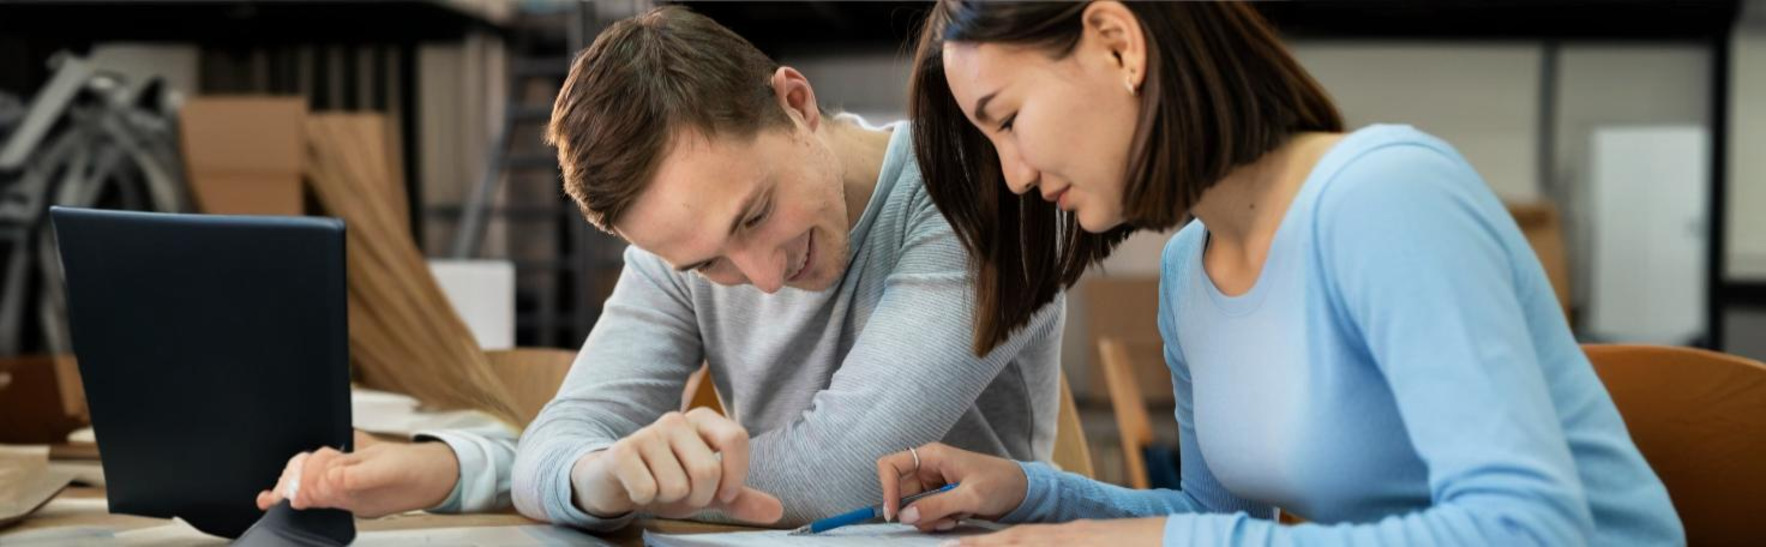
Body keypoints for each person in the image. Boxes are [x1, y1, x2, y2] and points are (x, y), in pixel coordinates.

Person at [873, 2, 1684, 545]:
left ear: (1119, 44)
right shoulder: (1190, 270)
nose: (1014, 175)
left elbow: (1532, 527)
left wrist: (1160, 540)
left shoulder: (1384, 195)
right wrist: (1033, 491)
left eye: (1008, 120)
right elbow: (1213, 517)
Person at [255, 5, 1065, 531]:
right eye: (710, 260)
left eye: (754, 214)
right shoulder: (675, 243)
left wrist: (609, 480)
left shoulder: (974, 187)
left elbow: (833, 473)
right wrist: (592, 471)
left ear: (796, 103)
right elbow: (563, 444)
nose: (763, 277)